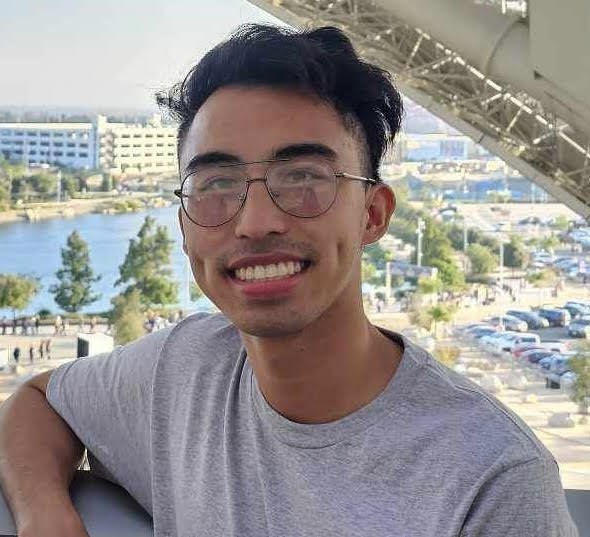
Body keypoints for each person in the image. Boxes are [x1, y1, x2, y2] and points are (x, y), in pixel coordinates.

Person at [0, 25, 578, 537]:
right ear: (184, 225)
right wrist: (45, 517)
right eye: (216, 184)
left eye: (303, 177)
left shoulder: (492, 479)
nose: (255, 223)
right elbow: (36, 402)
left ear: (373, 214)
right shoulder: (183, 371)